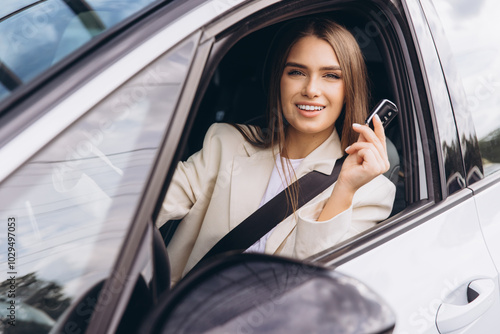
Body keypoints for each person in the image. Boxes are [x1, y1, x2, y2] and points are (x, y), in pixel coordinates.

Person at [156, 18, 396, 285]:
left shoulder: (371, 194)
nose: (311, 90)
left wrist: (344, 189)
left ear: (348, 89)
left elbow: (305, 285)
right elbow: (150, 205)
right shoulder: (226, 144)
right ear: (278, 80)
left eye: (331, 75)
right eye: (296, 72)